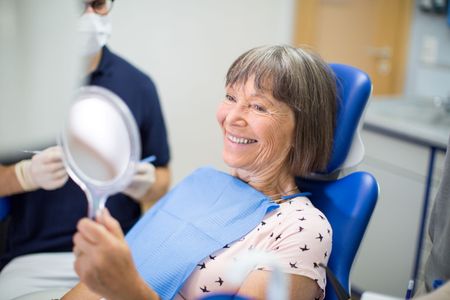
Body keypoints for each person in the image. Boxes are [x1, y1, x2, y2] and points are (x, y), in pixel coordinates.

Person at [62, 44, 338, 300]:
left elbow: (123, 283)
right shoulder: (202, 184)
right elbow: (94, 285)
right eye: (231, 97)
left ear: (303, 128)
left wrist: (128, 289)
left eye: (258, 106)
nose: (231, 118)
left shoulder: (300, 228)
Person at [0, 0, 171, 298]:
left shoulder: (139, 85)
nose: (91, 15)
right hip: (33, 260)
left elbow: (163, 178)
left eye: (99, 4)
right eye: (79, 4)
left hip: (117, 254)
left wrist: (145, 184)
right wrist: (24, 175)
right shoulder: (17, 82)